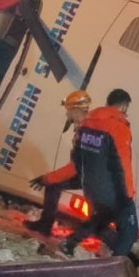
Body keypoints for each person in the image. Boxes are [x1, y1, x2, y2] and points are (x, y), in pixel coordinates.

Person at [50, 89, 139, 257]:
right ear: (123, 105)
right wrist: (127, 194)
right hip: (114, 190)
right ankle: (112, 269)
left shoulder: (87, 123)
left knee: (101, 220)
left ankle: (69, 243)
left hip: (92, 188)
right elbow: (123, 163)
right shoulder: (118, 127)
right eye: (126, 108)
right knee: (129, 234)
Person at [24, 90, 93, 235]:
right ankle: (45, 225)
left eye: (68, 110)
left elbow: (74, 168)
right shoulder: (85, 126)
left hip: (90, 176)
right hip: (89, 173)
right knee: (53, 187)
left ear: (76, 110)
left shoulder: (85, 131)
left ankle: (46, 227)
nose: (66, 113)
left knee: (53, 185)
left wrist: (47, 178)